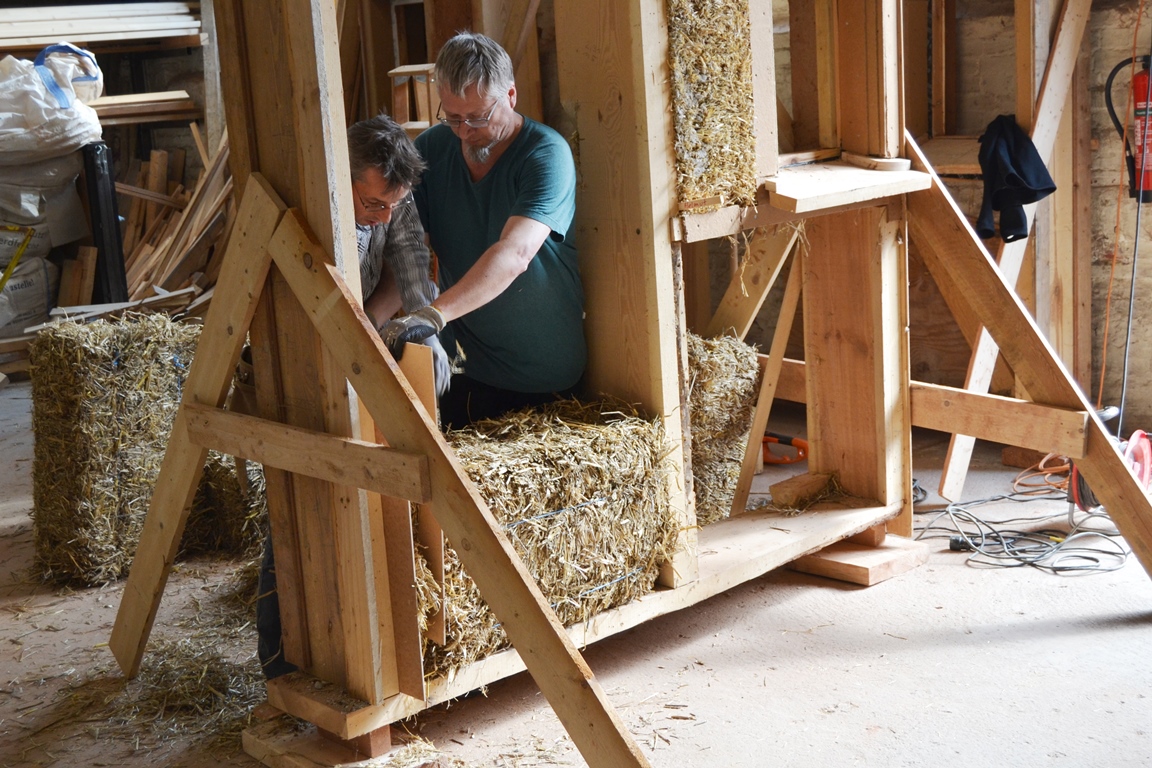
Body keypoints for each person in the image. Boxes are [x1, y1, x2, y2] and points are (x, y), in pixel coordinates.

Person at [256, 114, 444, 680]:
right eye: (372, 204)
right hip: (304, 356)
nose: (383, 214)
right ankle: (280, 666)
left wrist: (413, 330)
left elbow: (411, 273)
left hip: (356, 340)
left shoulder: (390, 196)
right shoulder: (315, 203)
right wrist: (354, 332)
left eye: (393, 204)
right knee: (298, 507)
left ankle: (373, 658)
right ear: (343, 179)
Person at [380, 31, 586, 428]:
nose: (464, 130)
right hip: (464, 368)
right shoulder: (431, 150)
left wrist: (432, 315)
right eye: (453, 117)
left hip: (541, 375)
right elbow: (408, 254)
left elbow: (515, 253)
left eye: (477, 117)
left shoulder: (546, 153)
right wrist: (373, 320)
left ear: (511, 96)